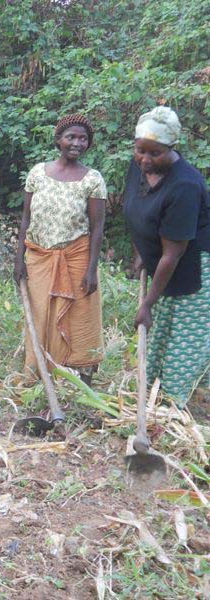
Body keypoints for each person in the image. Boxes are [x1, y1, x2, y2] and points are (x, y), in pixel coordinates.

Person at [123, 106, 210, 407]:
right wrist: (140, 253)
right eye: (140, 151)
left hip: (195, 268)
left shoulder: (185, 185)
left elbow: (173, 254)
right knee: (159, 332)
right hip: (161, 260)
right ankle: (151, 396)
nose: (145, 160)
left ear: (172, 148)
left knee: (183, 339)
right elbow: (136, 212)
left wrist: (147, 303)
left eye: (155, 153)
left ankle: (172, 407)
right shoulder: (138, 168)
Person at [14, 114, 107, 382]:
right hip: (39, 256)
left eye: (83, 138)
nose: (77, 143)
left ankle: (80, 375)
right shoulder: (38, 173)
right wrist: (18, 259)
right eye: (71, 137)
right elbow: (25, 218)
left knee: (80, 315)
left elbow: (97, 228)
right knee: (40, 313)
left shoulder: (93, 179)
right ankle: (40, 372)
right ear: (58, 140)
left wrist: (91, 270)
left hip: (76, 256)